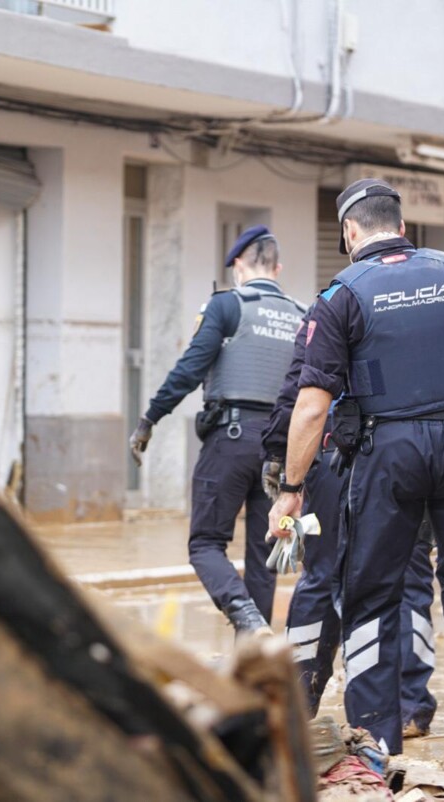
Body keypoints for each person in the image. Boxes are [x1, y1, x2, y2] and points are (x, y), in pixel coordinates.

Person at [268, 179, 444, 767]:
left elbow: (312, 404)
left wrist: (291, 491)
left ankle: (377, 744)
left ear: (350, 231)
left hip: (387, 456)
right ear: (401, 224)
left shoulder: (342, 295)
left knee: (372, 595)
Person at [262, 310, 439, 732]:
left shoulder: (335, 305)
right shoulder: (433, 304)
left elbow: (299, 390)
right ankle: (410, 705)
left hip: (338, 458)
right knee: (410, 575)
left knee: (322, 576)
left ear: (352, 238)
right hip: (415, 459)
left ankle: (296, 704)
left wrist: (281, 462)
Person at [130, 225, 306, 636]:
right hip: (281, 452)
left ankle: (244, 617)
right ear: (277, 267)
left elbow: (190, 369)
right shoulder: (303, 314)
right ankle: (256, 650)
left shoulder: (227, 305)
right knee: (265, 551)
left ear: (239, 266)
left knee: (205, 544)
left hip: (231, 439)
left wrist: (150, 418)